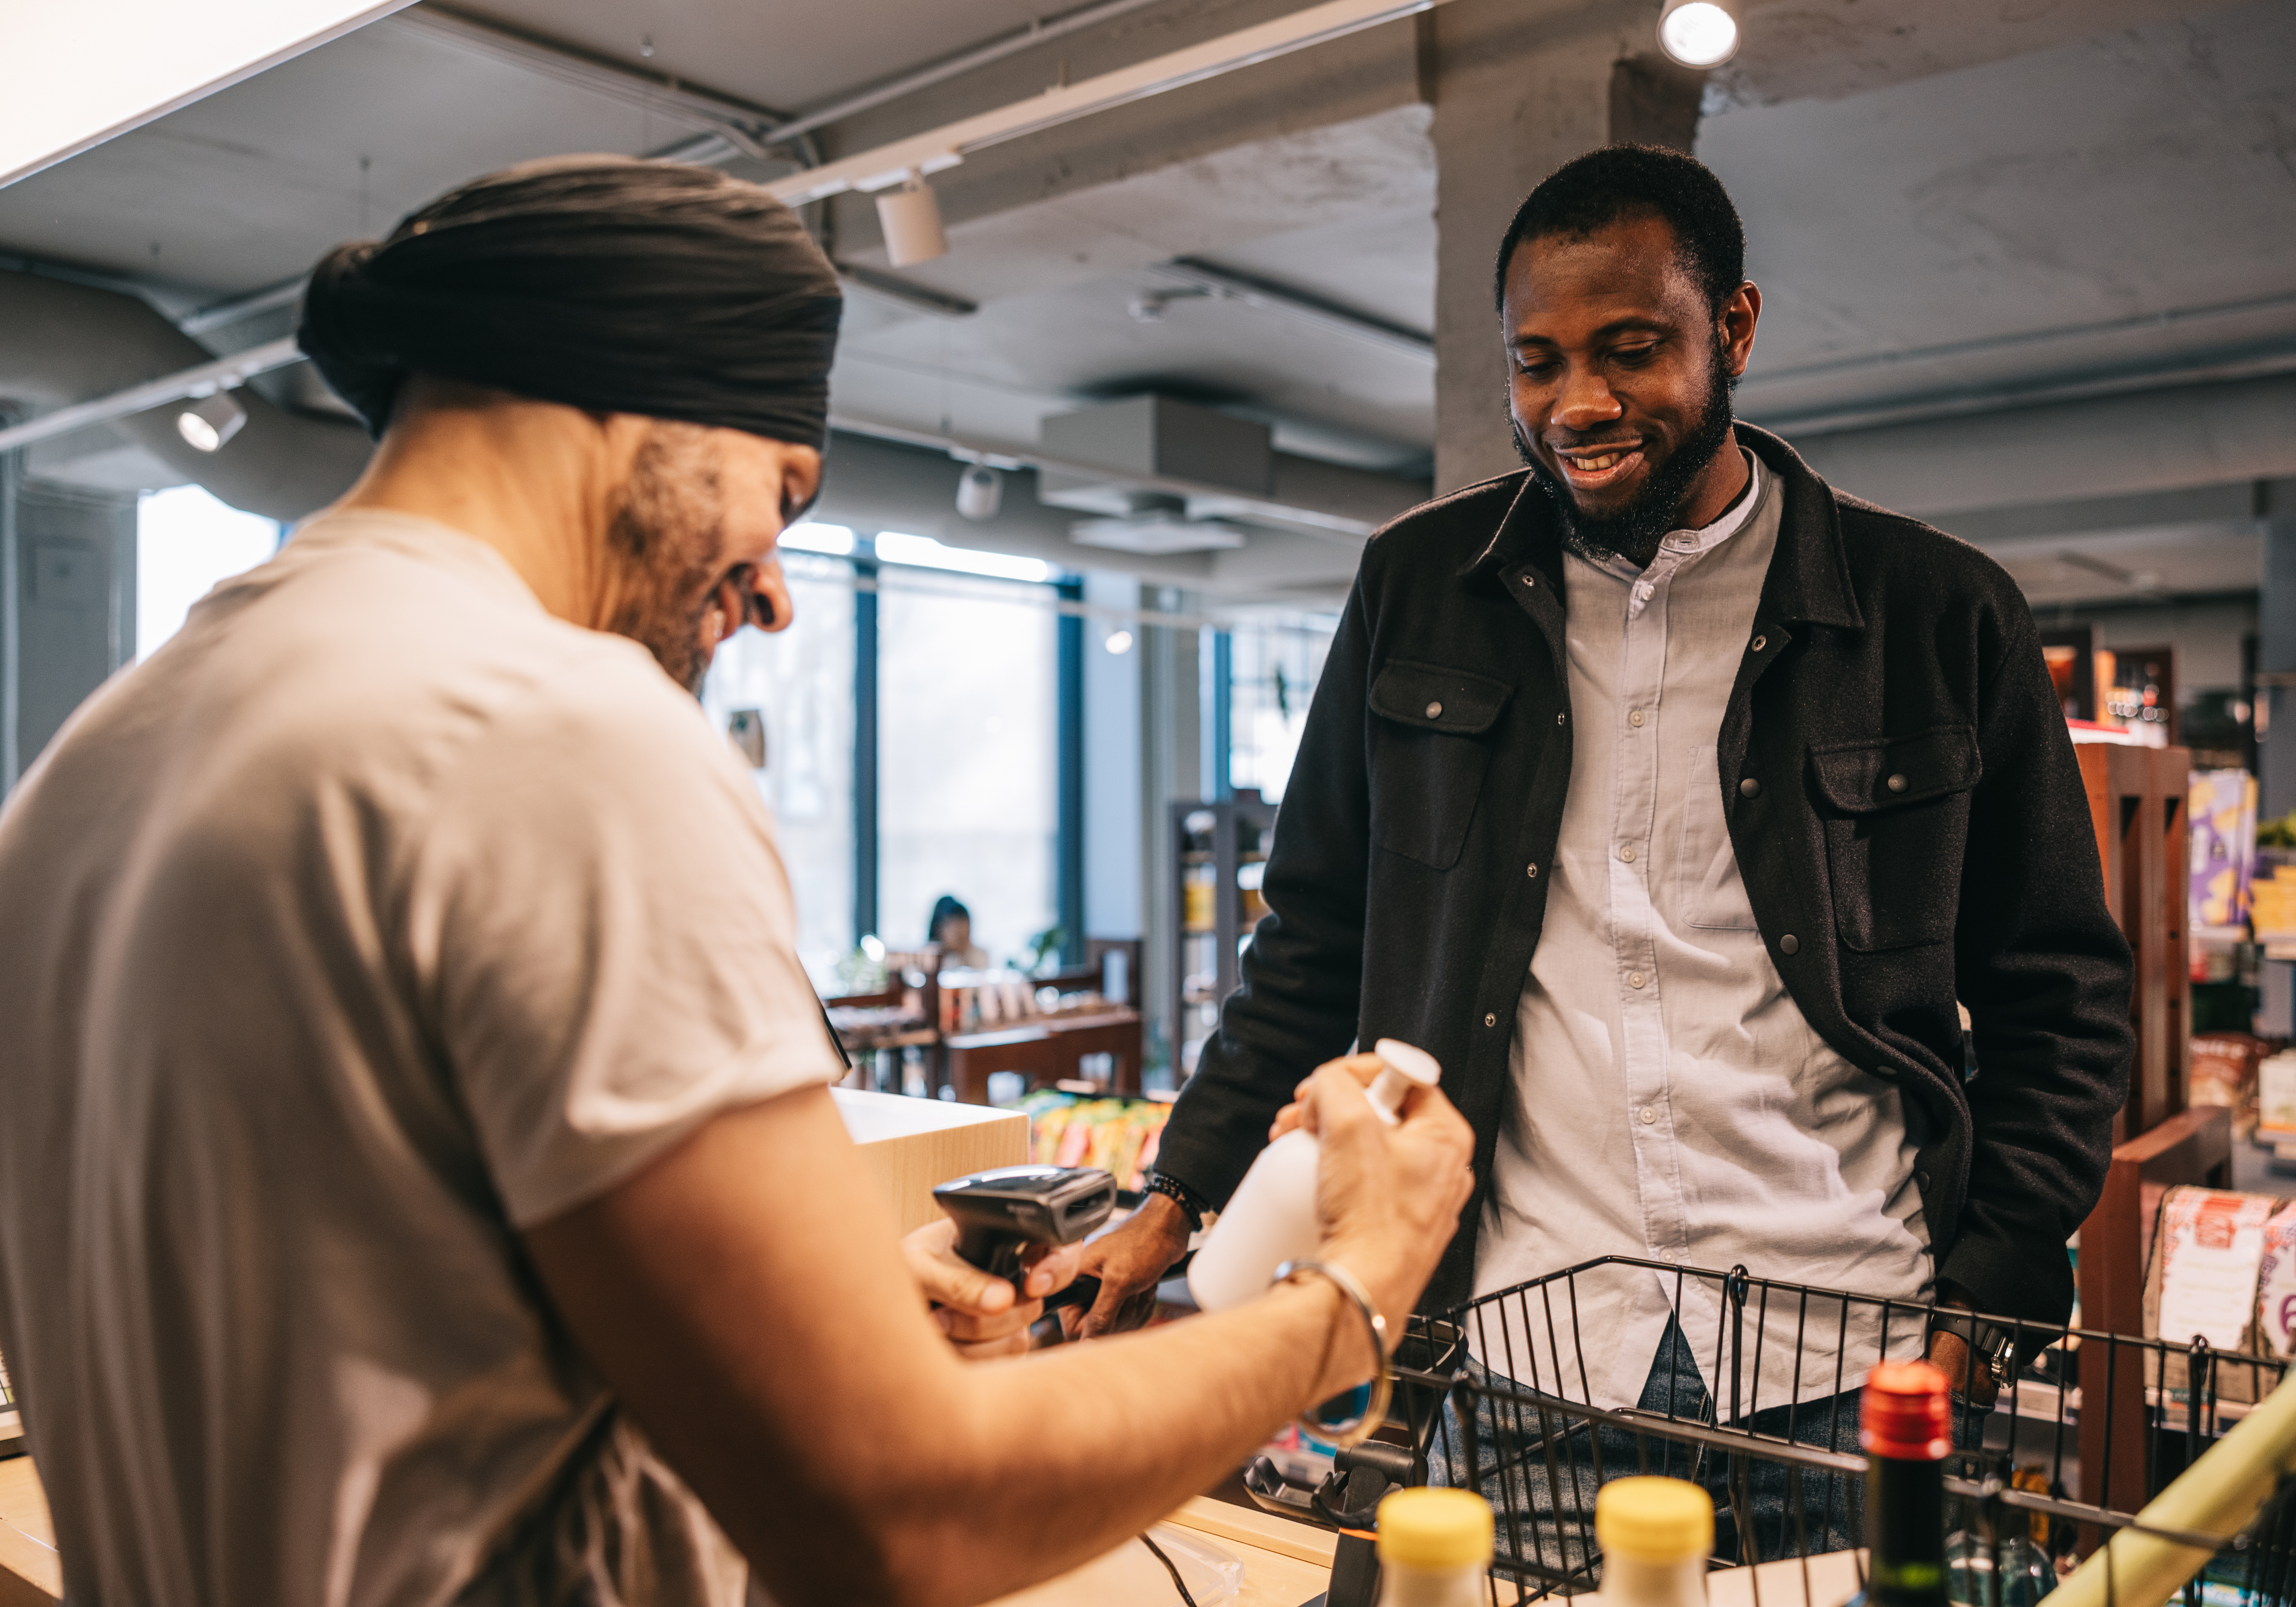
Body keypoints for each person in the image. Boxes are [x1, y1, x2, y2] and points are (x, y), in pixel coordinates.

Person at [0, 155, 1475, 1607]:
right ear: (632, 397)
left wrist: (793, 1341)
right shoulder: (555, 727)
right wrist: (1346, 1295)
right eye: (782, 489)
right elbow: (900, 1517)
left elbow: (352, 1337)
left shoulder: (96, 760)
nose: (773, 586)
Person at [1076, 145, 2132, 1482]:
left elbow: (2061, 997)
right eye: (1536, 362)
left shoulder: (1936, 614)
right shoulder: (1418, 589)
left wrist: (1978, 1307)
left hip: (1843, 1342)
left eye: (1629, 350)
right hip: (1526, 1334)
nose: (1577, 403)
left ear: (1731, 327)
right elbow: (1314, 937)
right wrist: (1174, 1197)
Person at [930, 892, 991, 971]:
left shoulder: (979, 956)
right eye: (958, 935)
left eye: (968, 933)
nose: (964, 941)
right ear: (940, 930)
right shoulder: (931, 958)